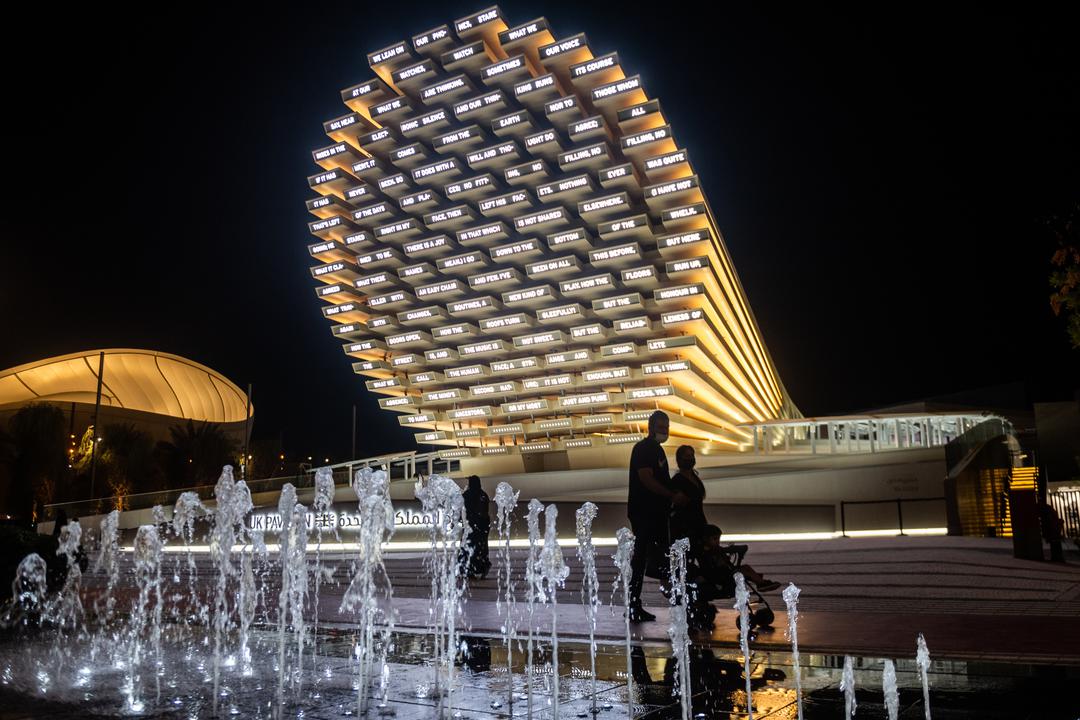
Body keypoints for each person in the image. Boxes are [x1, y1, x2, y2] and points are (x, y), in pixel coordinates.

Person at [627, 410, 687, 622]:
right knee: (643, 558)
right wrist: (671, 494)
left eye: (667, 427)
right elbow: (646, 478)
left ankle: (673, 598)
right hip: (645, 512)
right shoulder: (644, 449)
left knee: (659, 556)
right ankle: (634, 604)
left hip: (656, 513)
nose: (664, 431)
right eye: (661, 427)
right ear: (650, 427)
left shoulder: (657, 450)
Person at [669, 445, 708, 547]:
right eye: (687, 456)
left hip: (698, 521)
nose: (690, 458)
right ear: (679, 459)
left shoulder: (695, 478)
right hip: (685, 525)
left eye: (692, 455)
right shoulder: (677, 480)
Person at [460, 475, 492, 579]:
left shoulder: (467, 495)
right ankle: (482, 567)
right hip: (482, 526)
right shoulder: (483, 495)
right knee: (481, 548)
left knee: (467, 547)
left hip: (470, 526)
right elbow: (485, 511)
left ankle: (467, 568)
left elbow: (463, 510)